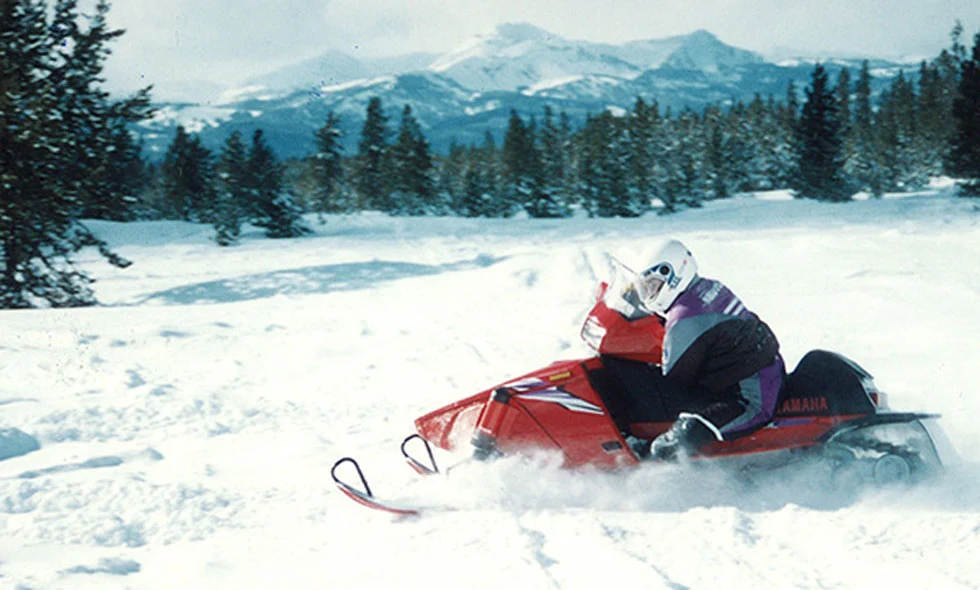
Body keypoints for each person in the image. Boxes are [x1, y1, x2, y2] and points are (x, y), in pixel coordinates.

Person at [631, 239, 784, 461]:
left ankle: (657, 476)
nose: (649, 293)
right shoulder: (707, 287)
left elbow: (675, 377)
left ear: (673, 274)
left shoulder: (684, 319)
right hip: (766, 370)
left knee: (679, 438)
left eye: (653, 285)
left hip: (753, 401)